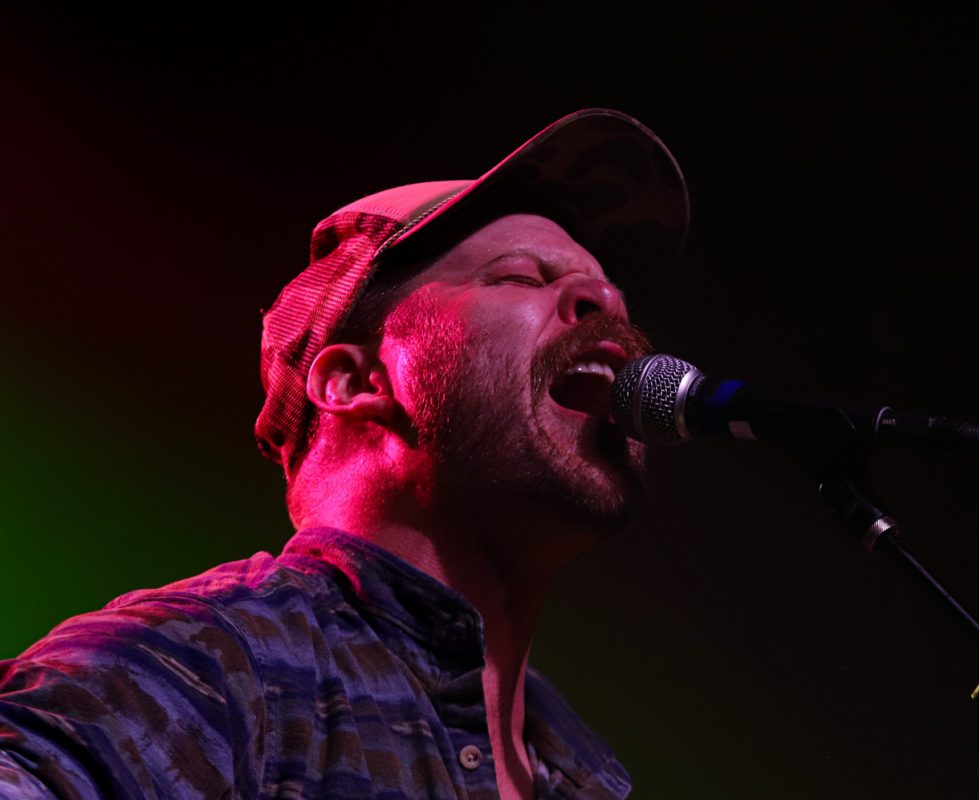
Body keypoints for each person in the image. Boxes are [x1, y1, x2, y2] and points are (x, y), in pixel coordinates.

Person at [0, 108, 690, 799]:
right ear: (357, 381)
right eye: (519, 277)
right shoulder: (208, 665)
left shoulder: (587, 772)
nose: (603, 300)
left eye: (614, 299)